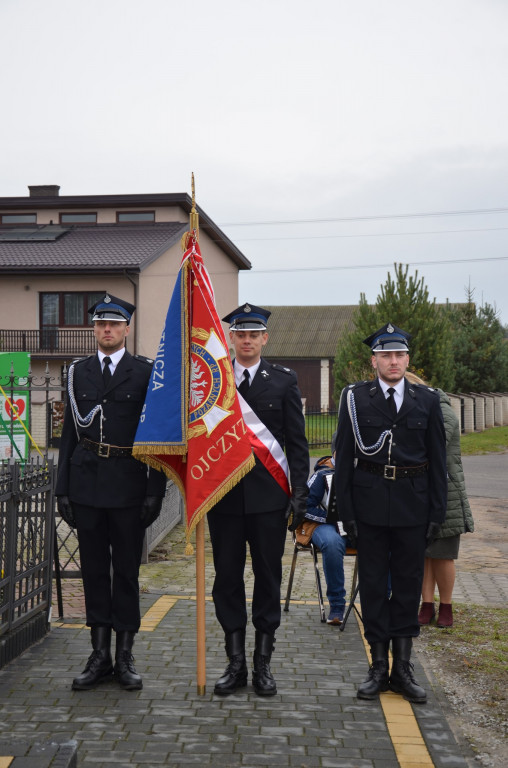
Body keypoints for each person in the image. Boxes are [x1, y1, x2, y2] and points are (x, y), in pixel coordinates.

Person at [56, 292, 167, 691]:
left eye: (114, 324)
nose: (107, 329)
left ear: (126, 328)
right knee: (93, 574)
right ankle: (98, 654)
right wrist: (61, 489)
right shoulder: (77, 372)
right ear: (95, 328)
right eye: (101, 323)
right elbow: (69, 433)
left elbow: (155, 437)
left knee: (126, 573)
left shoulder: (145, 372)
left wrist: (155, 490)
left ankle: (125, 655)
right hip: (86, 484)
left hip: (129, 486)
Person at [334, 322, 447, 704]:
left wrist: (438, 511)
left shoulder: (427, 400)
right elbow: (344, 457)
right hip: (368, 507)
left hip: (413, 507)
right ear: (375, 361)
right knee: (373, 586)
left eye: (399, 354)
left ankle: (403, 669)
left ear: (407, 359)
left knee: (407, 587)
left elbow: (438, 460)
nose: (393, 361)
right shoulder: (356, 399)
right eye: (386, 355)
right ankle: (378, 667)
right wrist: (344, 512)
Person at [207, 302, 309, 696]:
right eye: (240, 334)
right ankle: (235, 664)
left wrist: (300, 492)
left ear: (265, 338)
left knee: (268, 578)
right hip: (225, 498)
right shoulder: (213, 381)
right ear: (230, 338)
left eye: (254, 334)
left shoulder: (283, 380)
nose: (246, 340)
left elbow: (296, 445)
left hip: (269, 499)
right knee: (227, 580)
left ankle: (263, 663)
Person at [405, 373, 474, 629]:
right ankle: (426, 605)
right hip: (421, 492)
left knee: (443, 554)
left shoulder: (441, 410)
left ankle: (446, 606)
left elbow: (430, 446)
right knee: (424, 554)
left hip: (446, 494)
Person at [305, 441, 347, 625]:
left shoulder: (364, 471)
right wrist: (331, 517)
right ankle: (337, 605)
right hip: (324, 525)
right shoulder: (321, 474)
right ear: (335, 452)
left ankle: (382, 602)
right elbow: (304, 508)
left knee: (385, 540)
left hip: (358, 526)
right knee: (332, 543)